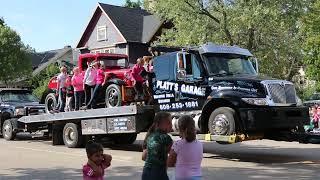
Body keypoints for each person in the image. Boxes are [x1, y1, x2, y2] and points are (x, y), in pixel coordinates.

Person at [167, 115, 203, 180]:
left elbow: (169, 163)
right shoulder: (200, 144)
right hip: (197, 177)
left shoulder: (178, 144)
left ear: (179, 128)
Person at [141, 112, 173, 180]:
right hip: (159, 173)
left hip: (146, 172)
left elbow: (144, 157)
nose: (171, 125)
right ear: (160, 124)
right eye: (168, 123)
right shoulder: (166, 138)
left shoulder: (149, 136)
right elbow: (172, 158)